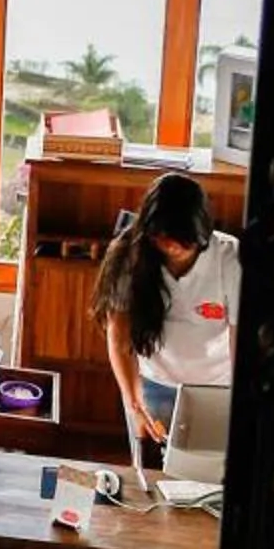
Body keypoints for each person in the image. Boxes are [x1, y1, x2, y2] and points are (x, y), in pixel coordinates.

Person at [93, 171, 239, 445]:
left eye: (183, 239)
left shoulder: (229, 258)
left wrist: (241, 401)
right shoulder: (129, 255)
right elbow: (119, 334)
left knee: (209, 472)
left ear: (202, 231)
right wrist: (134, 403)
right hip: (154, 384)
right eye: (163, 237)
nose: (172, 246)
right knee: (156, 469)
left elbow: (240, 339)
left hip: (218, 387)